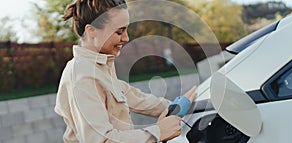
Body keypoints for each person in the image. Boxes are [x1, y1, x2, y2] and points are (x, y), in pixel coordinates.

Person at [54, 0, 197, 142]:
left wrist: (177, 107)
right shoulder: (82, 76)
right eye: (119, 32)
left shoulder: (100, 67)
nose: (126, 38)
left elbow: (138, 98)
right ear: (91, 31)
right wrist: (158, 132)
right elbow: (101, 140)